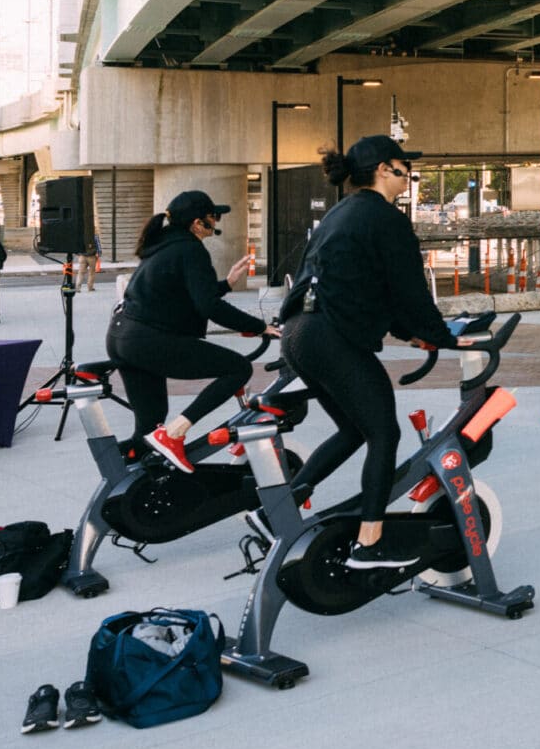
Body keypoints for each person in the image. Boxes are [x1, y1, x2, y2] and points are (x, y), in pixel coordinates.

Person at [279, 136, 470, 570]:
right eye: (406, 166)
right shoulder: (384, 217)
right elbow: (408, 289)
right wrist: (441, 334)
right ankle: (370, 542)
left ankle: (278, 508)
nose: (410, 174)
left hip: (299, 333)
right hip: (329, 336)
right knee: (384, 434)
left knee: (353, 429)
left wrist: (411, 333)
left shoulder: (340, 214)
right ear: (385, 169)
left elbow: (361, 291)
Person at [106, 191, 274, 468]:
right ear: (198, 223)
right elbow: (209, 307)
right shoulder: (191, 249)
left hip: (123, 336)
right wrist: (261, 327)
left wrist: (227, 284)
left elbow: (187, 295)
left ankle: (125, 477)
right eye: (213, 216)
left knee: (149, 427)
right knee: (238, 369)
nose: (216, 221)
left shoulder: (162, 245)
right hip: (147, 338)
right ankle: (175, 433)